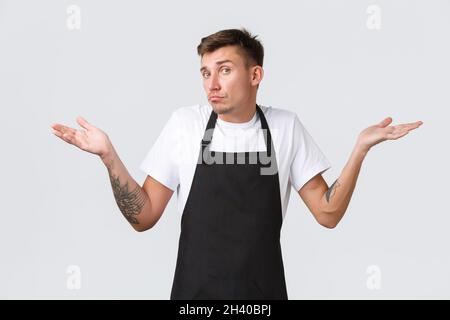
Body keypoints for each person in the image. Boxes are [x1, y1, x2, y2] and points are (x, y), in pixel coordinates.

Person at [51, 28, 423, 300]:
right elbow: (143, 217)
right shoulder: (185, 125)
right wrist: (108, 156)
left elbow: (327, 213)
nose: (212, 82)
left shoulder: (284, 127)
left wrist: (359, 149)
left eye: (224, 70)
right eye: (205, 72)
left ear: (255, 75)